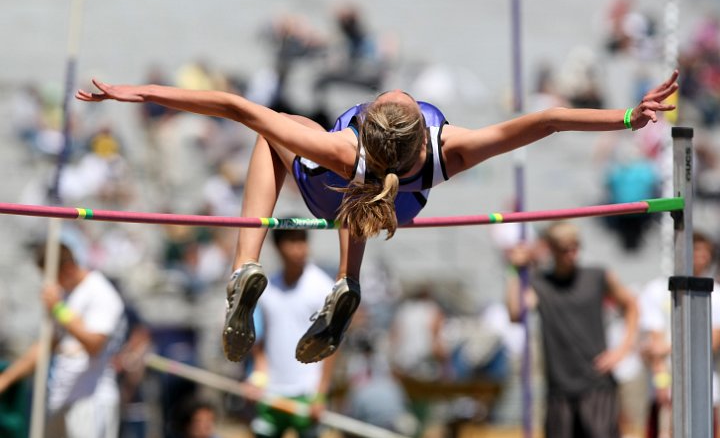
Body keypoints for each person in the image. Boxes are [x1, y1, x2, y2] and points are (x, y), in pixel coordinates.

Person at [75, 69, 678, 365]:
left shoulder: (345, 144)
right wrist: (626, 118)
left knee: (276, 142)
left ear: (372, 123)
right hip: (398, 205)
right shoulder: (453, 149)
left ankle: (244, 267)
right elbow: (546, 120)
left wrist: (144, 94)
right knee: (364, 193)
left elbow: (239, 108)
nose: (394, 90)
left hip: (341, 187)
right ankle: (348, 280)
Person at [505, 221, 639, 438]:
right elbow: (515, 313)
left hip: (597, 385)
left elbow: (631, 305)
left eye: (575, 247)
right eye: (564, 249)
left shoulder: (597, 276)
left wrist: (622, 350)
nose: (571, 254)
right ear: (551, 249)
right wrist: (515, 270)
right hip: (559, 389)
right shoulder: (541, 284)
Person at [0, 242, 126, 438]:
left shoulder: (101, 293)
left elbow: (94, 345)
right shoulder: (68, 295)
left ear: (67, 269)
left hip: (91, 400)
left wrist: (58, 310)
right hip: (62, 398)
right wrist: (6, 378)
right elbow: (45, 346)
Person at [246, 227, 336, 438]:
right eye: (292, 242)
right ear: (278, 246)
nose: (299, 249)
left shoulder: (323, 287)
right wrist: (257, 378)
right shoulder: (267, 289)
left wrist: (321, 393)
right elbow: (260, 344)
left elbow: (331, 344)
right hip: (272, 392)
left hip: (307, 392)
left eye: (302, 241)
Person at [639, 231, 720, 438]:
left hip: (706, 392)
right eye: (696, 250)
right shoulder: (656, 290)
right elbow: (652, 345)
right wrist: (663, 382)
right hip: (667, 389)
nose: (702, 257)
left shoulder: (716, 294)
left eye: (706, 252)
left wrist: (667, 346)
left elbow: (712, 340)